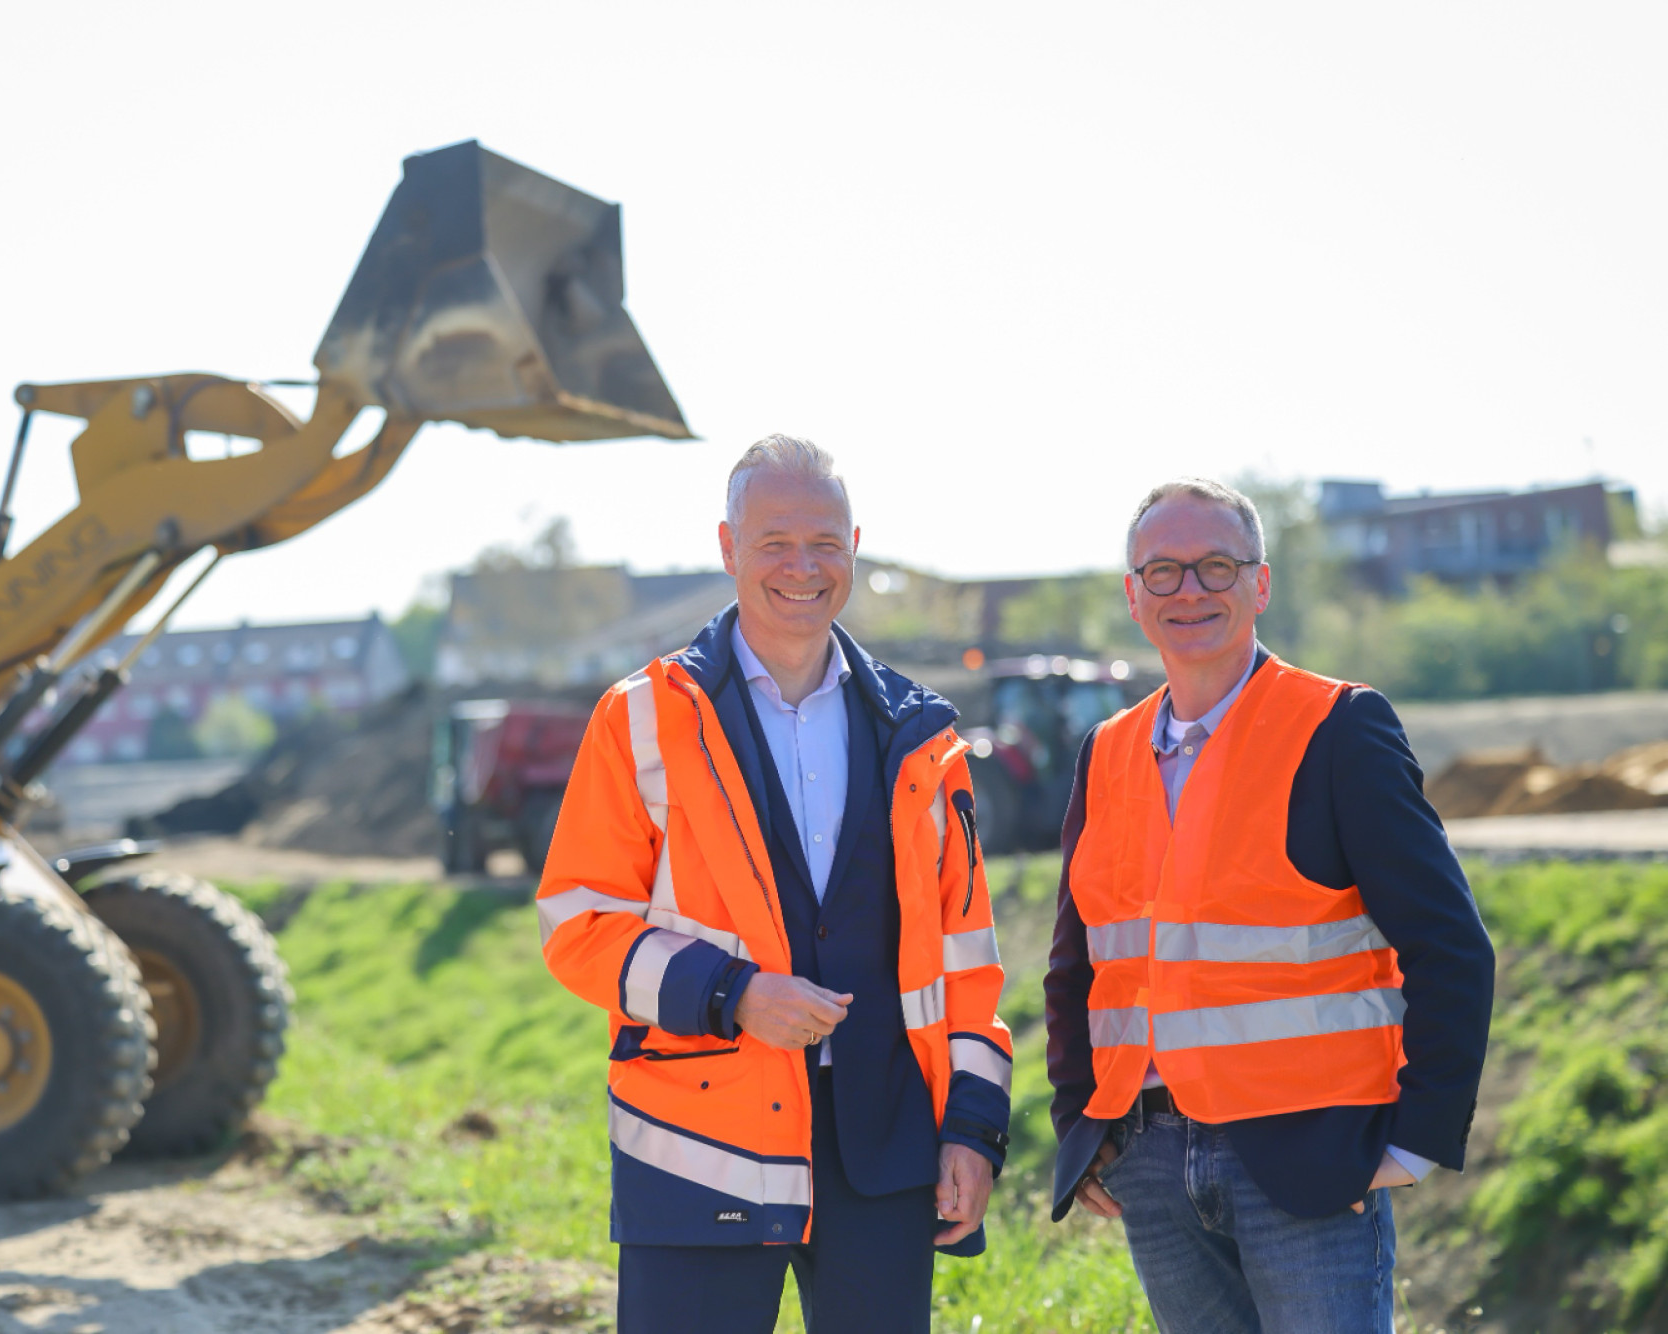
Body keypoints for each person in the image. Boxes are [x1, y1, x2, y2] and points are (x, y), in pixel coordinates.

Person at [537, 435, 1012, 1334]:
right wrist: (733, 994)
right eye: (775, 543)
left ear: (856, 546)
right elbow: (578, 924)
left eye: (826, 542)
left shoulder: (923, 737)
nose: (804, 566)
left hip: (885, 1145)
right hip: (700, 1142)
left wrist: (973, 1127)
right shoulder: (640, 717)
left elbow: (969, 960)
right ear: (727, 548)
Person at [1044, 478, 1496, 1333]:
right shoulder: (1105, 753)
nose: (1191, 591)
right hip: (1148, 1154)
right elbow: (1079, 965)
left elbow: (1451, 947)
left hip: (1309, 1159)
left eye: (1217, 566)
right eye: (1165, 571)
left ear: (1261, 584)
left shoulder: (1339, 728)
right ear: (1132, 597)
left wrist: (1416, 1139)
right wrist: (1082, 1121)